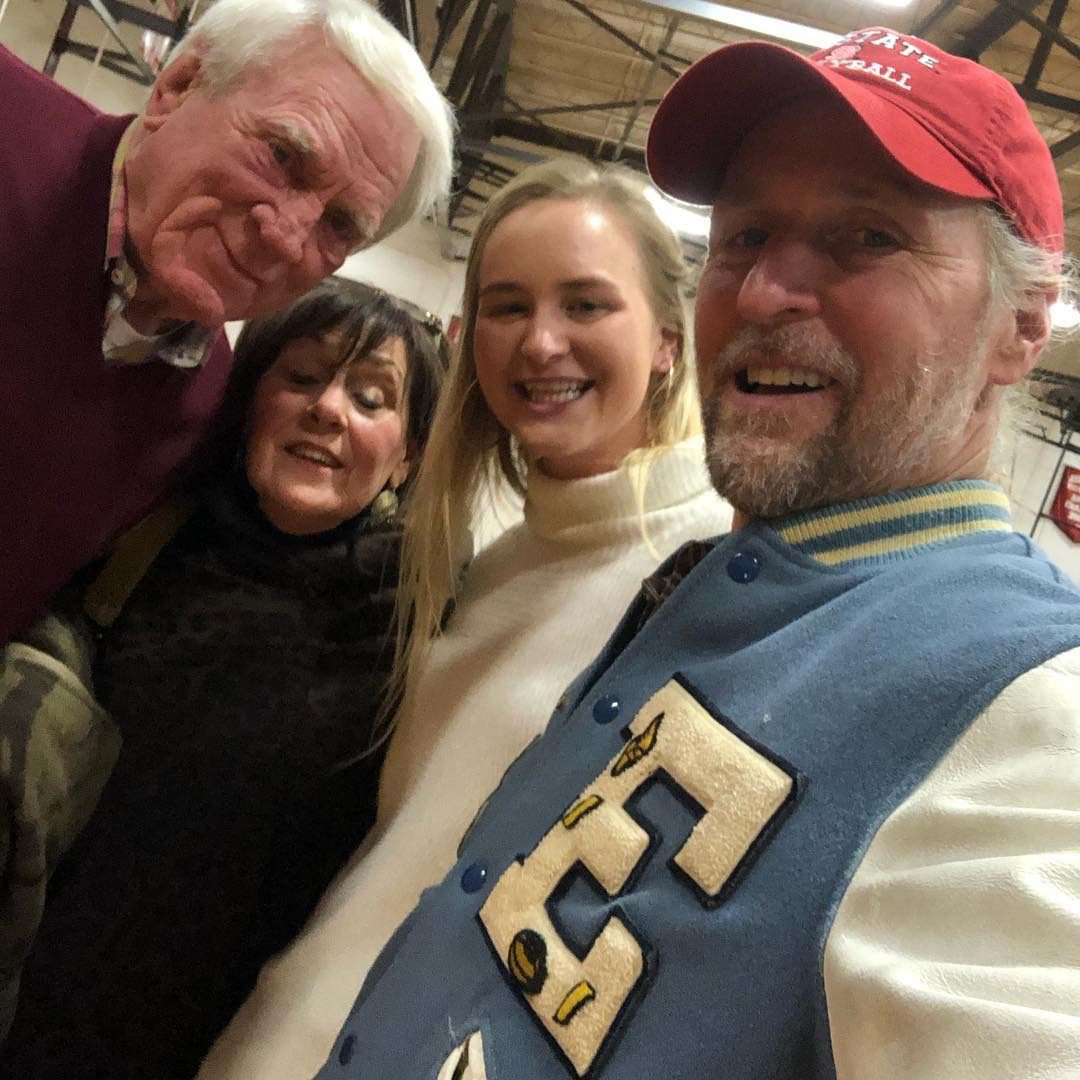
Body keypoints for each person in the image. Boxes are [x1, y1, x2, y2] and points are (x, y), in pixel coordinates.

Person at [252, 28, 1078, 1080]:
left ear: (1021, 323)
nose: (772, 288)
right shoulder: (696, 590)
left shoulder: (1028, 705)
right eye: (742, 236)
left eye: (868, 237)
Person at [198, 159, 733, 1078]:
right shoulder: (491, 567)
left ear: (667, 343)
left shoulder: (715, 573)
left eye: (587, 305)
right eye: (509, 305)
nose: (539, 343)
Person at [0, 278, 447, 1077]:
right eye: (302, 377)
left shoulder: (427, 627)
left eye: (371, 397)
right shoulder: (136, 542)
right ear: (250, 403)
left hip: (231, 1050)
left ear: (408, 454)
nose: (329, 409)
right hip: (32, 1007)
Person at [0, 0, 454, 645]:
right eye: (284, 155)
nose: (285, 237)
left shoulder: (202, 403)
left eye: (340, 225)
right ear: (178, 86)